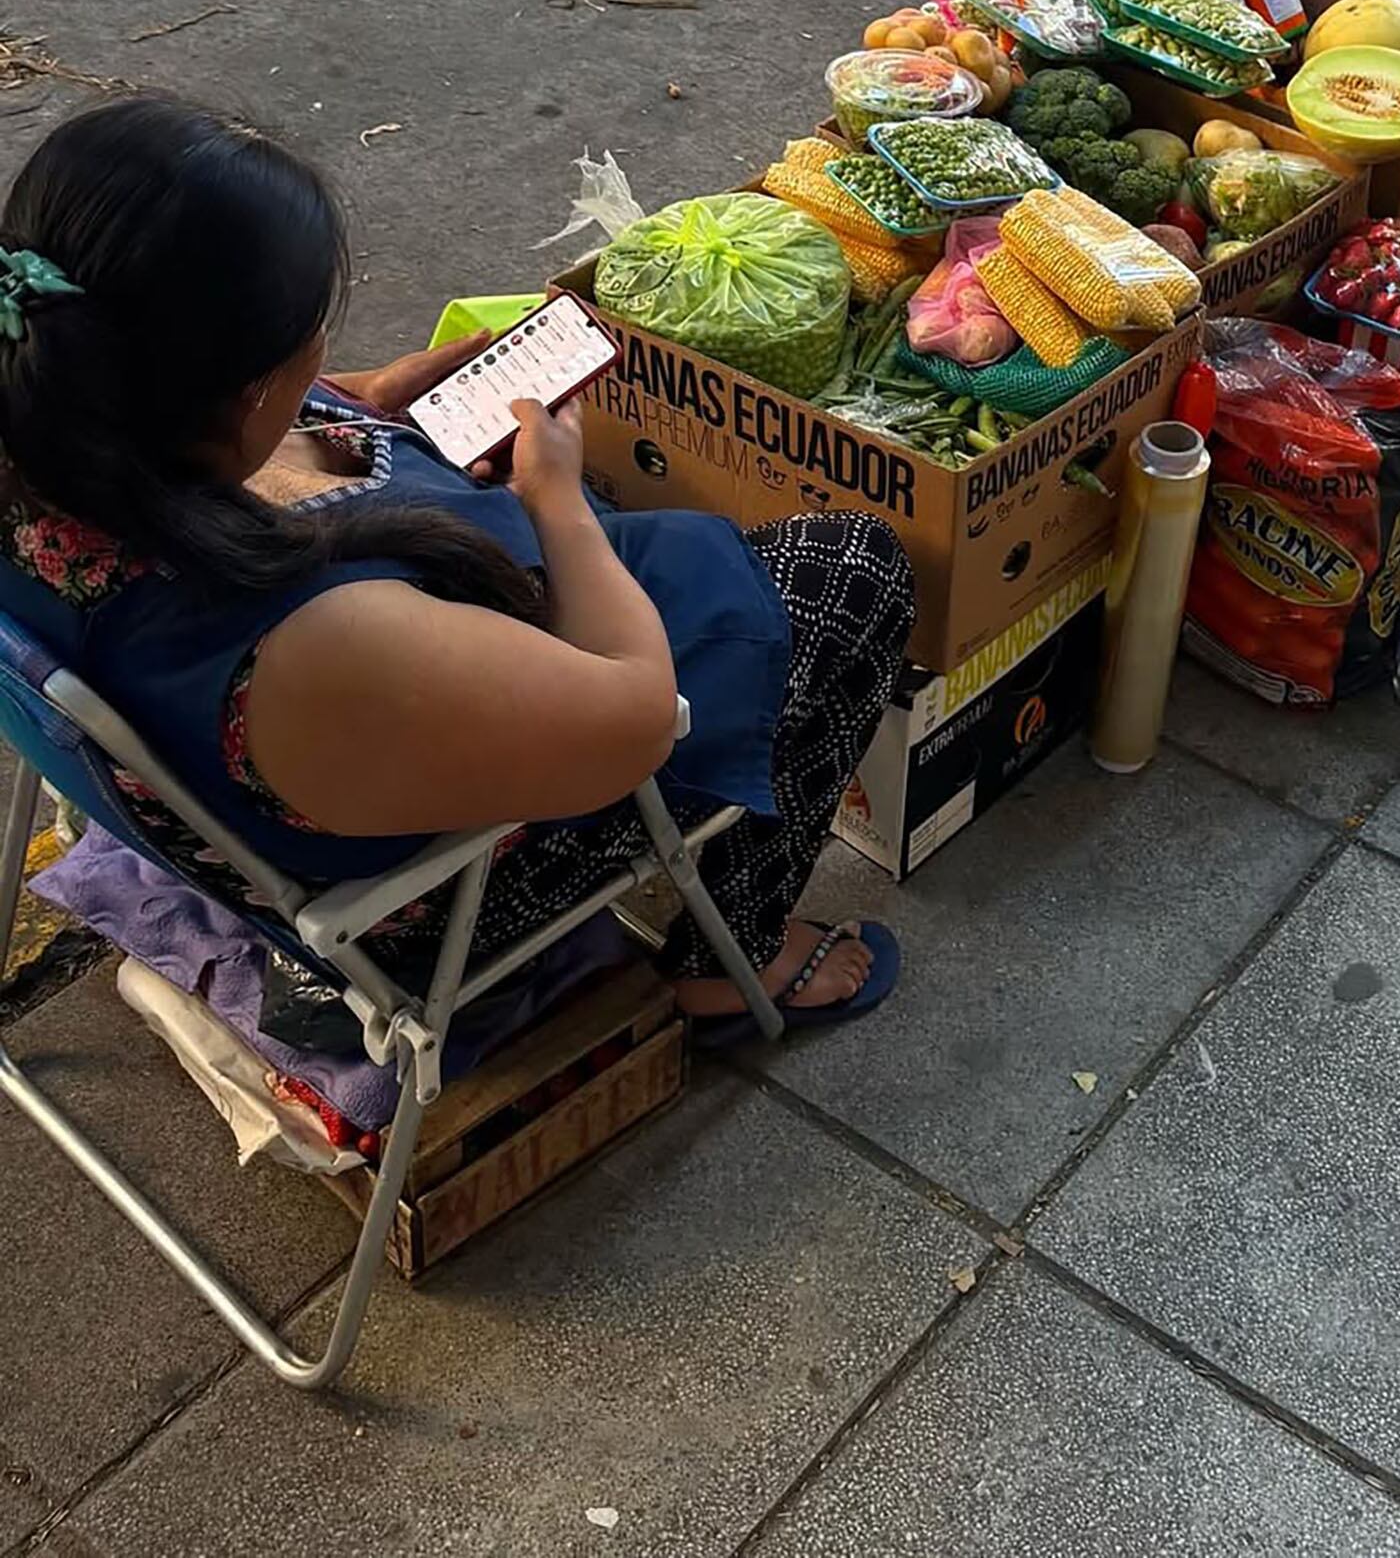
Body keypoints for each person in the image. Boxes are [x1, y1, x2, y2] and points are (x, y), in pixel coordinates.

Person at [0, 97, 915, 1040]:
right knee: (858, 572)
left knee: (568, 480)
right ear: (238, 394)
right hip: (444, 899)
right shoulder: (317, 643)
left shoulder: (44, 415)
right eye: (307, 343)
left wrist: (349, 402)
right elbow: (639, 718)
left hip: (270, 750)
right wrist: (555, 499)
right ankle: (735, 959)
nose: (319, 361)